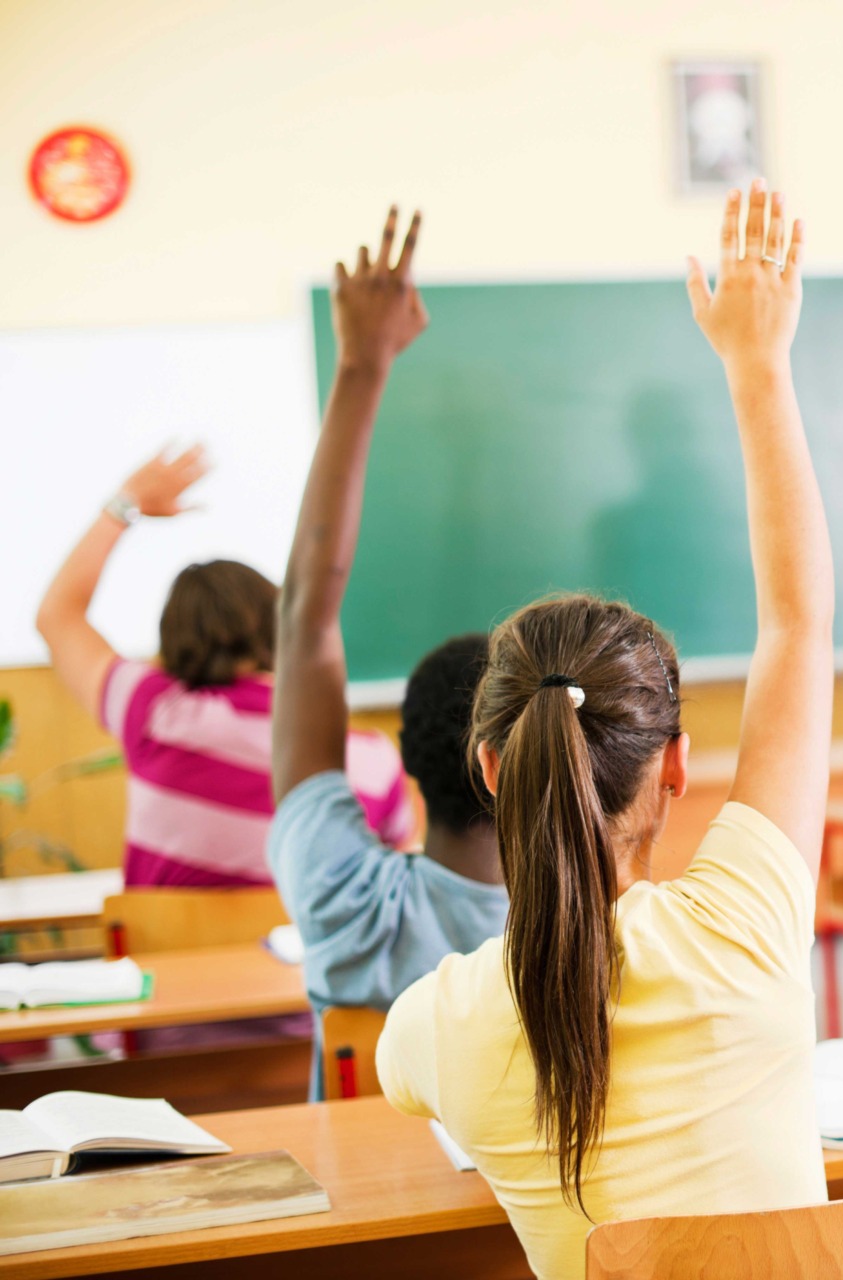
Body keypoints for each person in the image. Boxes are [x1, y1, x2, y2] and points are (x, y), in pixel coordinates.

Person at [377, 180, 834, 1280]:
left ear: (488, 766)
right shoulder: (745, 924)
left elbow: (399, 1094)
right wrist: (757, 367)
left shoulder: (442, 1024)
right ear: (678, 767)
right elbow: (799, 626)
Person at [267, 207, 507, 1095]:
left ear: (402, 759)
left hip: (353, 1229)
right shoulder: (595, 930)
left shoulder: (345, 902)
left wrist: (362, 369)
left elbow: (305, 618)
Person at [35, 451, 411, 888]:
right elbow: (393, 886)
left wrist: (124, 504)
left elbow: (56, 616)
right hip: (300, 956)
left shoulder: (152, 710)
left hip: (165, 956)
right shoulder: (366, 758)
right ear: (281, 629)